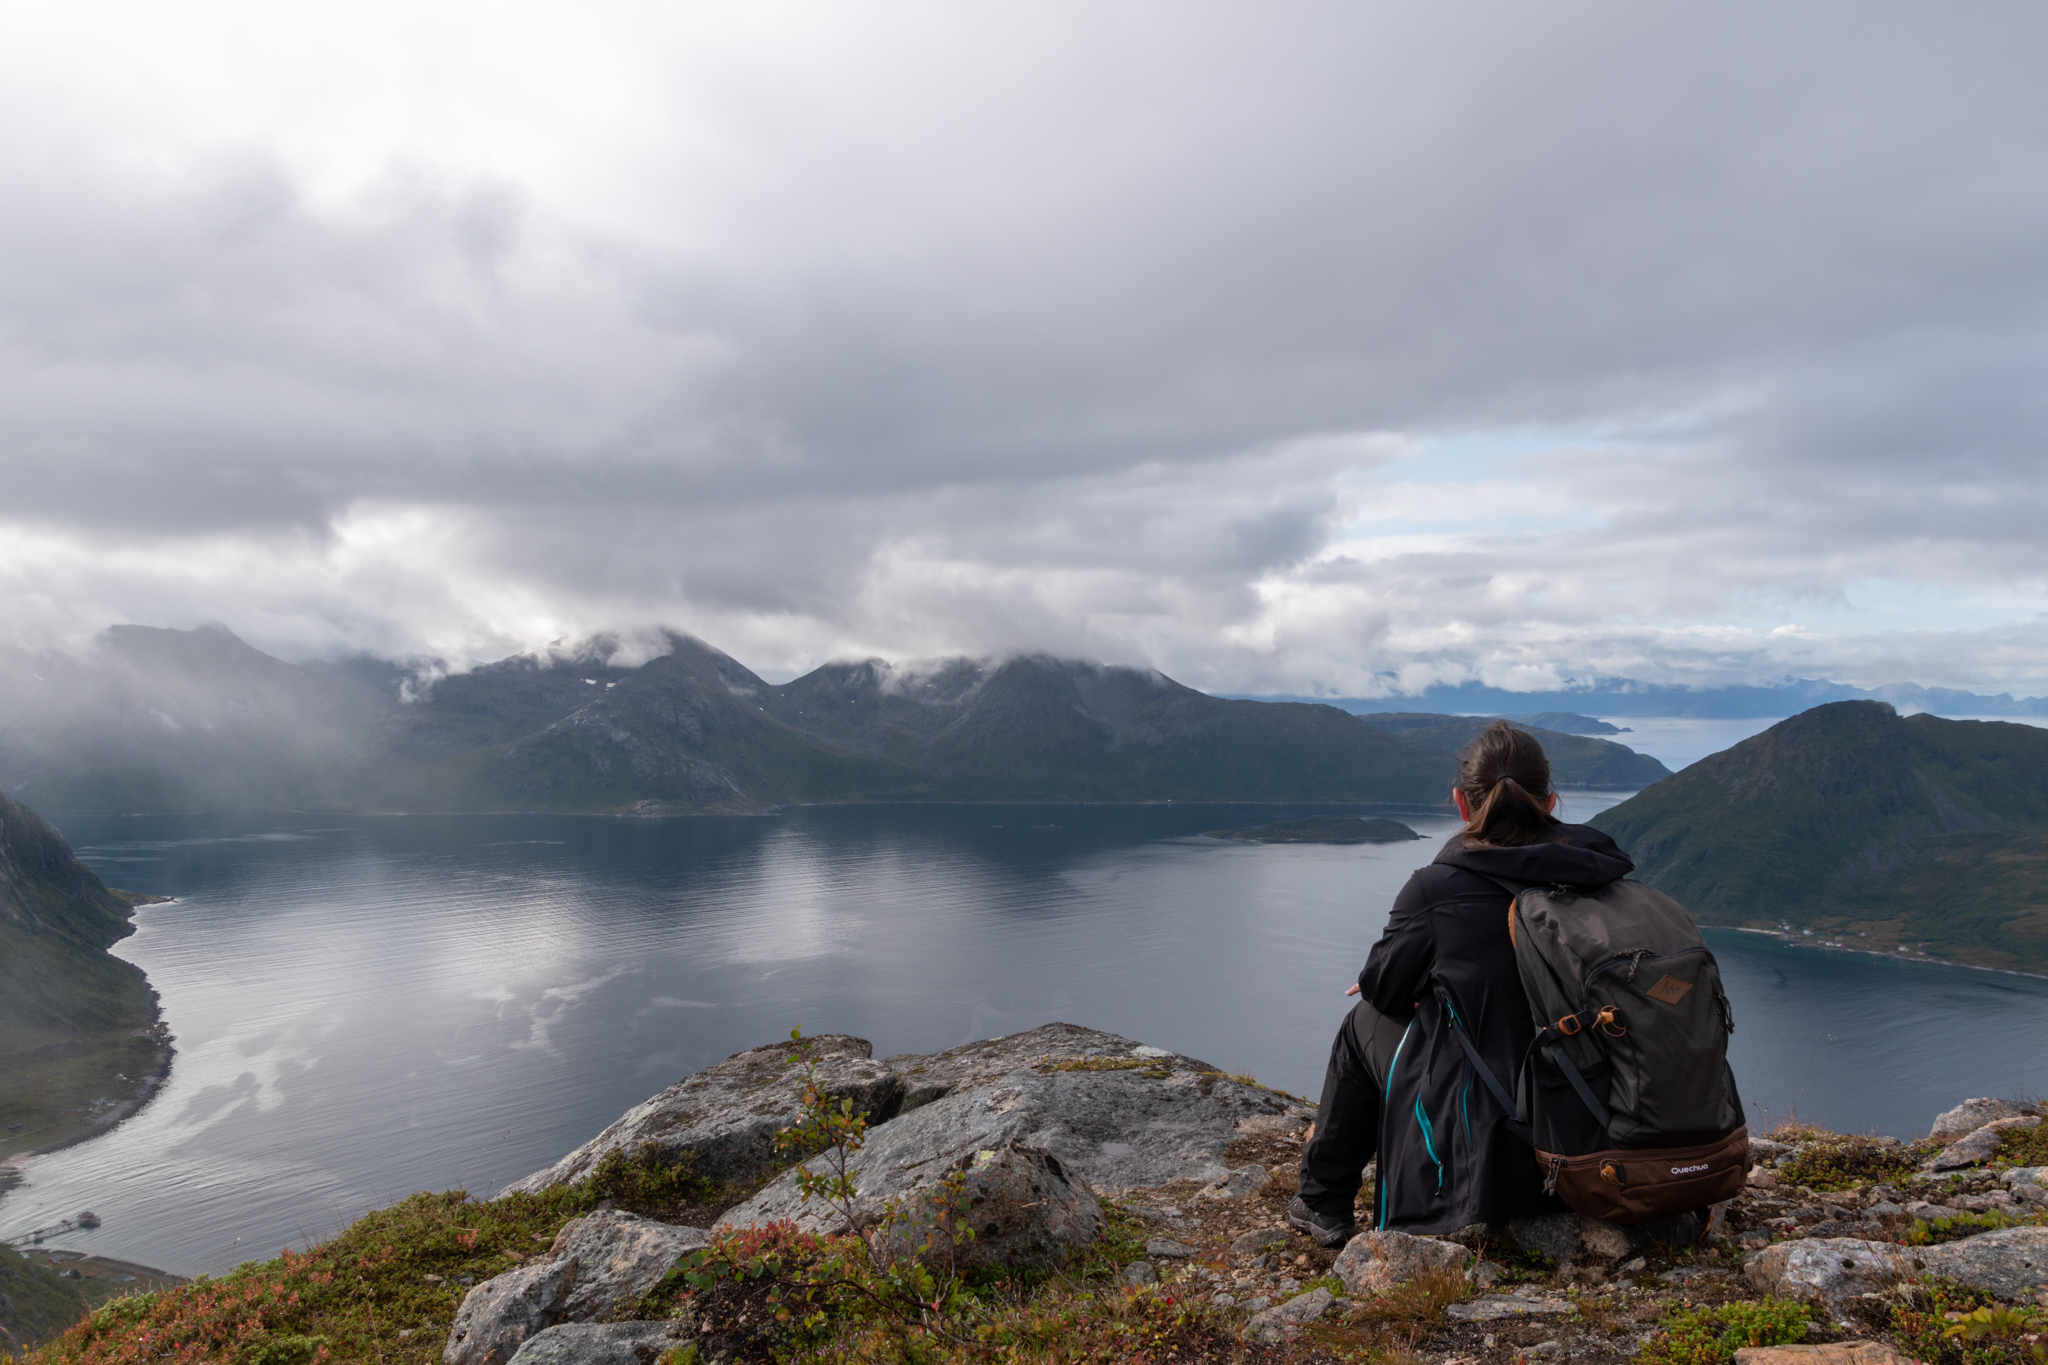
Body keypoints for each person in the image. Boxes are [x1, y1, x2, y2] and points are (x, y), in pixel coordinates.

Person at [1287, 720, 1636, 1246]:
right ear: (1551, 801)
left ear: (1461, 803)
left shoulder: (1437, 889)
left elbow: (1383, 992)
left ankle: (1322, 1200)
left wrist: (1423, 979)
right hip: (1606, 1128)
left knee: (1363, 1021)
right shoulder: (1602, 875)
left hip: (1502, 1155)